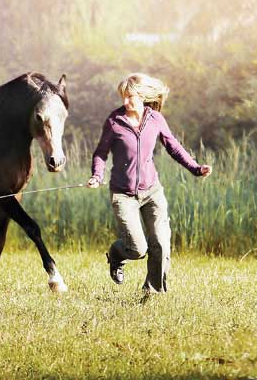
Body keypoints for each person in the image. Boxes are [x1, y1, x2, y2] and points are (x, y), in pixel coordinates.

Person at [87, 73, 212, 294]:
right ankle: (116, 254)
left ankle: (152, 293)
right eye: (123, 97)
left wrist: (195, 168)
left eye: (130, 97)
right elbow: (101, 153)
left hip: (152, 191)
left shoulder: (155, 119)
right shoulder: (114, 122)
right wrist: (97, 175)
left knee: (161, 244)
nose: (125, 102)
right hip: (123, 195)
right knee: (137, 249)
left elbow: (173, 147)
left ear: (142, 97)